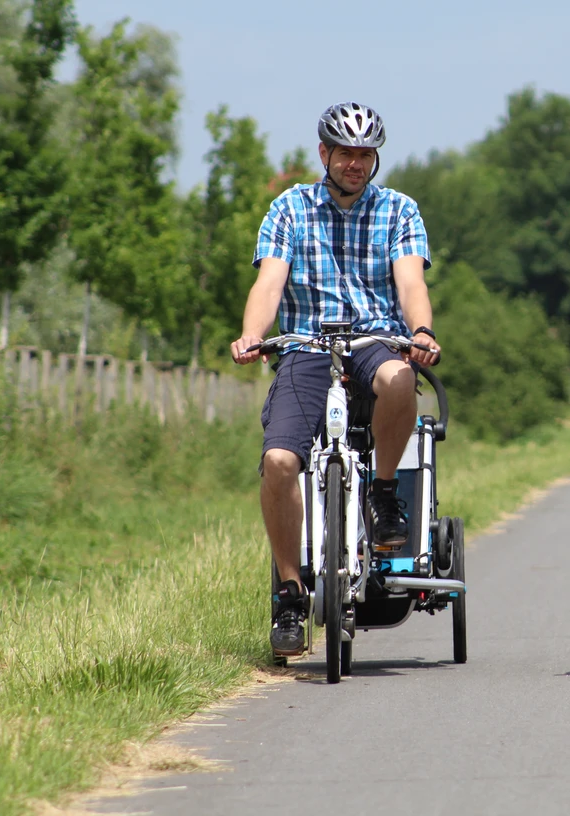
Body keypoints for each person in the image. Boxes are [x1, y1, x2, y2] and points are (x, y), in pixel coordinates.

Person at [231, 102, 441, 657]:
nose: (355, 163)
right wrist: (253, 335)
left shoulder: (398, 210)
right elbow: (269, 285)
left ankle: (383, 492)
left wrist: (420, 331)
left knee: (399, 378)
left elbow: (410, 284)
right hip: (305, 346)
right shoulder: (289, 208)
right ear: (323, 154)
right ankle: (289, 592)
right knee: (279, 462)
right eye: (345, 153)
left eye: (365, 154)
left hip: (374, 341)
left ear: (375, 158)